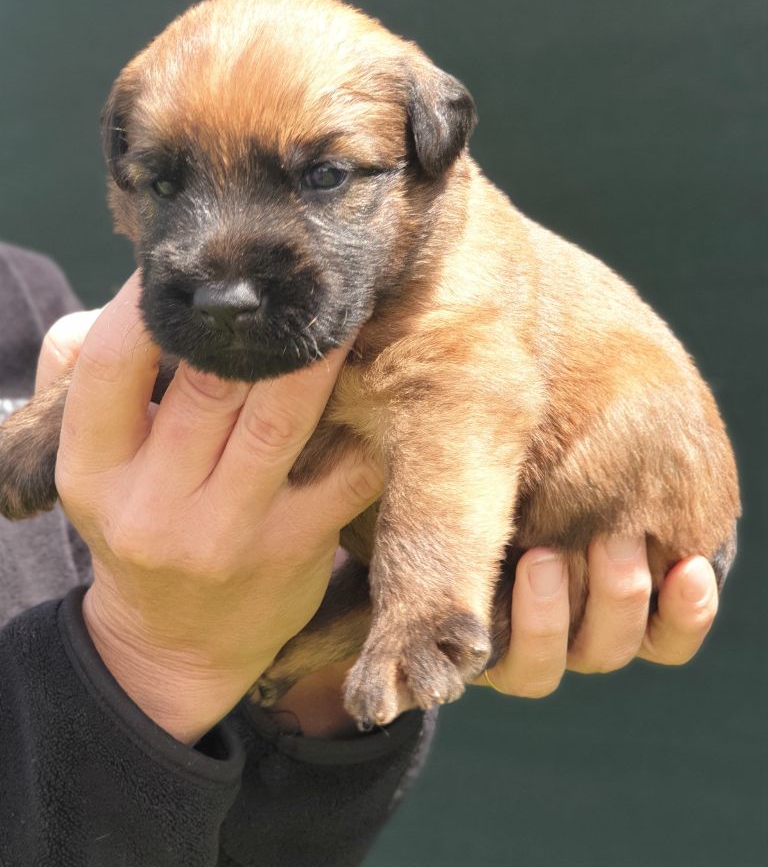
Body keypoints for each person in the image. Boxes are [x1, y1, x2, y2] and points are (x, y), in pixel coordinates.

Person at [0, 241, 720, 867]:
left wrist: (312, 658)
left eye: (326, 176)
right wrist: (151, 662)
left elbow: (252, 844)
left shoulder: (27, 296)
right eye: (166, 182)